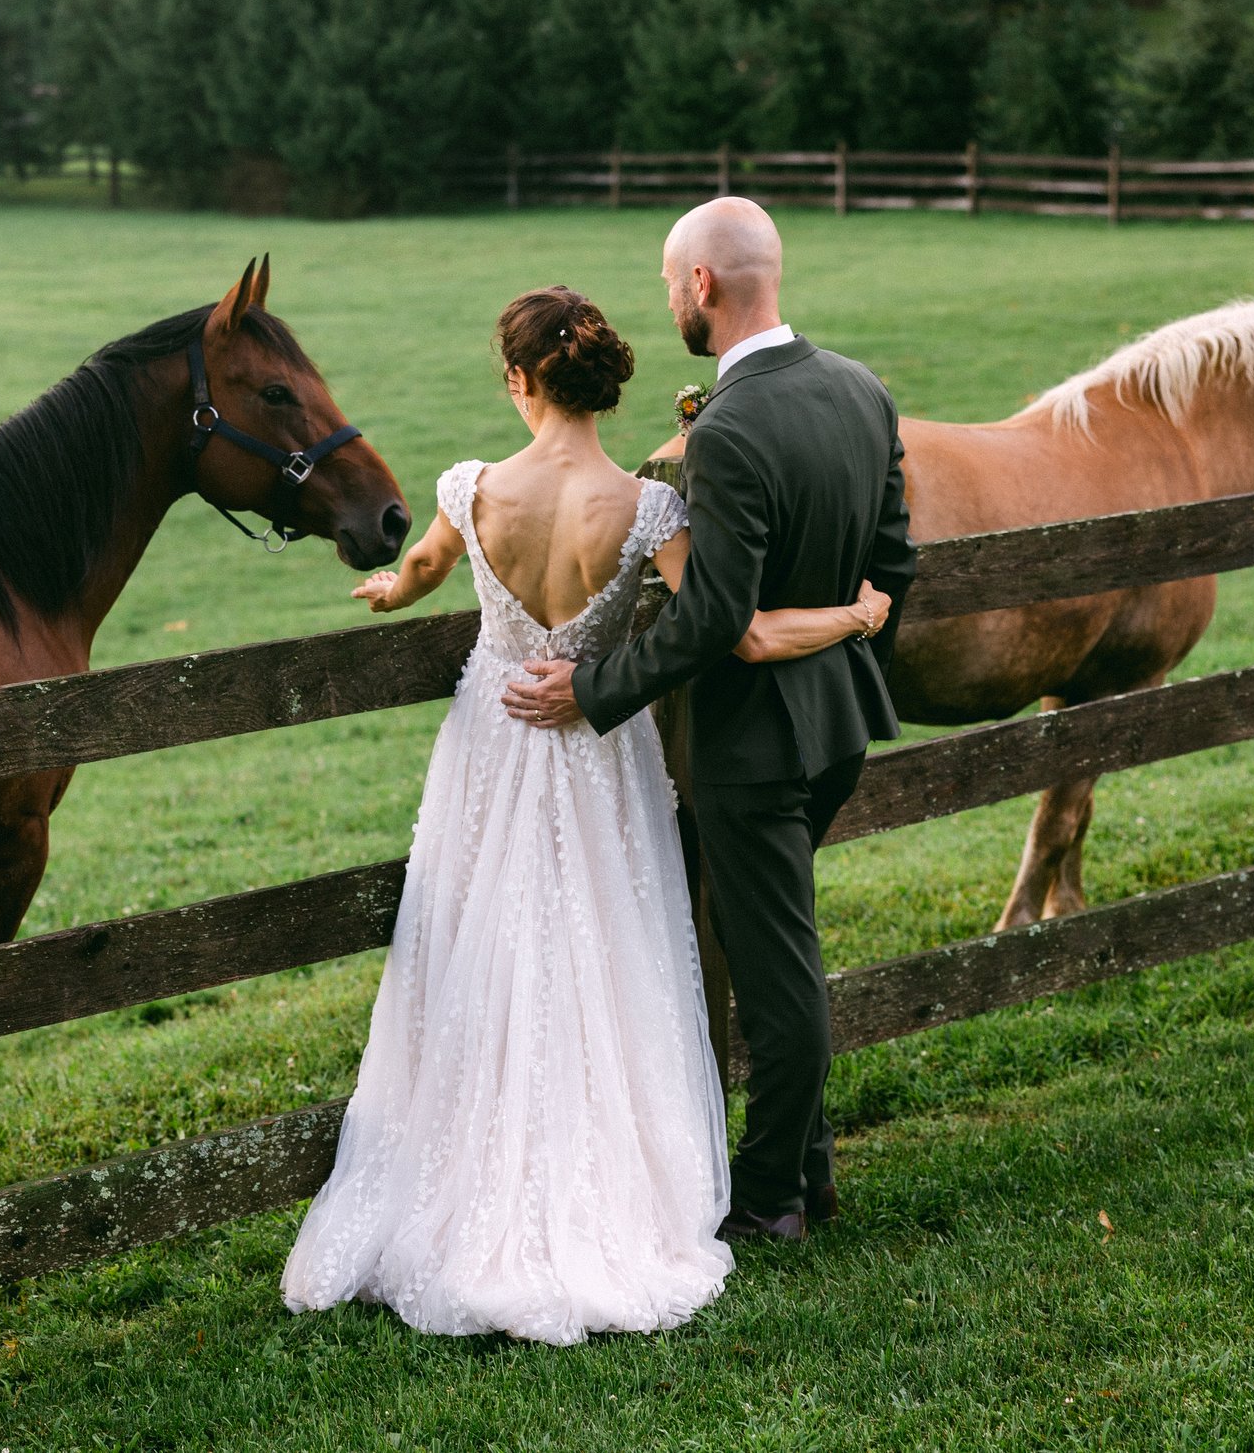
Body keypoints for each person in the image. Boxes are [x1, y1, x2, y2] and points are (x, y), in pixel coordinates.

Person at [280, 284, 893, 1343]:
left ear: (519, 380)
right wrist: (853, 610)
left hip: (491, 743)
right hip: (598, 747)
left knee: (480, 945)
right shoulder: (650, 509)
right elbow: (726, 625)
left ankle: (460, 1164)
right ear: (600, 380)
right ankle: (626, 1173)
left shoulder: (469, 489)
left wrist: (388, 591)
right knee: (606, 946)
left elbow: (421, 568)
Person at [501, 198, 918, 1242]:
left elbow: (711, 619)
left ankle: (771, 1194)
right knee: (766, 938)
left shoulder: (726, 431)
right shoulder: (860, 390)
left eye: (665, 281)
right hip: (839, 730)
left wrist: (588, 690)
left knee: (773, 970)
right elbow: (895, 567)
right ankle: (808, 1171)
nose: (666, 299)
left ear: (700, 287)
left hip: (751, 748)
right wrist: (851, 630)